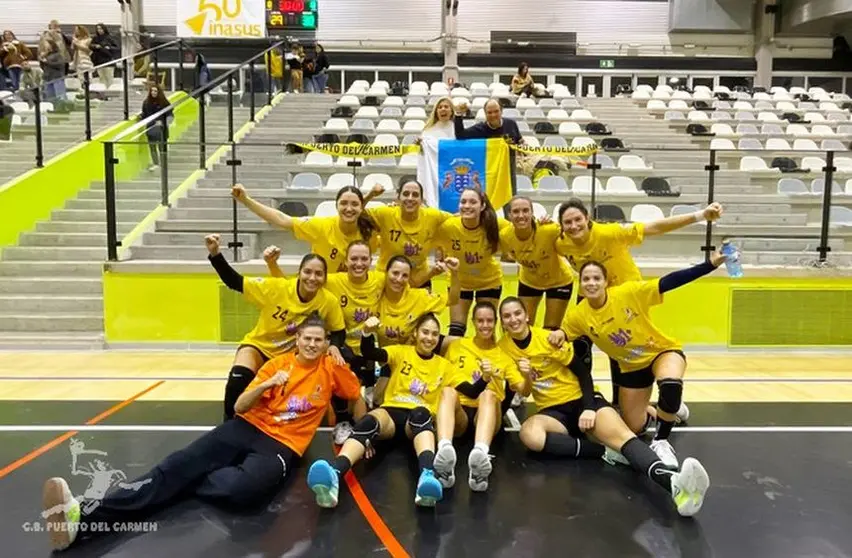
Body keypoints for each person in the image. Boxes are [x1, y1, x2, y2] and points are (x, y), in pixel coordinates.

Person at [42, 315, 362, 551]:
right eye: (307, 338)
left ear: (324, 343)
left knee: (244, 492)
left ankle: (187, 479)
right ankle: (80, 518)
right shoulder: (276, 365)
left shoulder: (329, 369)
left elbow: (352, 390)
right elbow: (239, 407)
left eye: (318, 340)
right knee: (173, 466)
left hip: (282, 445)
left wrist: (338, 358)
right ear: (298, 340)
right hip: (246, 426)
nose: (311, 344)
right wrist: (266, 383)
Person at [497, 297, 710, 517]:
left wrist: (589, 407)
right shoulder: (503, 349)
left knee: (625, 437)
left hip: (582, 400)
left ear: (527, 315)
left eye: (517, 314)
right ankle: (605, 452)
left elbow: (582, 373)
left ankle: (674, 484)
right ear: (502, 322)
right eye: (507, 316)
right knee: (529, 434)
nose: (513, 319)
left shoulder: (548, 339)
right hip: (552, 412)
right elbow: (516, 389)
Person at [547, 250, 729, 468]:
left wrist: (710, 264)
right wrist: (559, 334)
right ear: (581, 283)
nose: (591, 283)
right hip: (631, 368)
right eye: (586, 279)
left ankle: (661, 441)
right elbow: (566, 333)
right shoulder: (579, 314)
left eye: (597, 278)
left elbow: (670, 281)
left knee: (670, 383)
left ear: (607, 282)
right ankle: (670, 407)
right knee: (634, 426)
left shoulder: (628, 292)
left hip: (661, 352)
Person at [555, 197, 724, 407]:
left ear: (587, 218)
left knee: (619, 348)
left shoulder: (610, 233)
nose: (573, 226)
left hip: (626, 298)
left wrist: (700, 216)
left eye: (577, 220)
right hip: (592, 295)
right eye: (567, 223)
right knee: (579, 345)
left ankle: (633, 400)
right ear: (561, 226)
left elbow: (653, 227)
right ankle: (581, 398)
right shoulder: (562, 243)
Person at [306, 313, 453, 508]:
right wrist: (367, 332)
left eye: (435, 334)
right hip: (391, 415)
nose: (429, 338)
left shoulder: (445, 366)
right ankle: (334, 474)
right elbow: (370, 353)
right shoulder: (401, 352)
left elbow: (464, 391)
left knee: (421, 414)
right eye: (425, 332)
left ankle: (427, 478)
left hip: (417, 424)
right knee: (369, 421)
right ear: (416, 333)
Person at [204, 233, 347, 420]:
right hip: (259, 346)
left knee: (334, 366)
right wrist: (215, 254)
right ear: (299, 273)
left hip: (291, 356)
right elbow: (234, 282)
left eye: (318, 273)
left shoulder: (328, 301)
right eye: (308, 272)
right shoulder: (276, 288)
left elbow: (338, 330)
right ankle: (228, 423)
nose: (312, 278)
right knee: (238, 378)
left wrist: (335, 345)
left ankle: (337, 420)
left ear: (325, 277)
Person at [265, 240, 384, 440]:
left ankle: (363, 433)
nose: (359, 263)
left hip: (367, 346)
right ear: (345, 261)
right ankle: (342, 421)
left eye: (364, 259)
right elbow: (290, 287)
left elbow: (404, 280)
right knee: (339, 367)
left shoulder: (380, 279)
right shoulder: (330, 281)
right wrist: (272, 265)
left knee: (366, 397)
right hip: (340, 345)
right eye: (354, 258)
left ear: (371, 261)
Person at [433, 301, 522, 491]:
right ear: (473, 322)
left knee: (488, 394)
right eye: (480, 320)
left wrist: (528, 376)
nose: (485, 325)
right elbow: (457, 385)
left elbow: (522, 388)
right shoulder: (458, 347)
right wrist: (485, 377)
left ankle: (480, 456)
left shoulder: (504, 354)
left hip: (489, 414)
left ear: (496, 322)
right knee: (447, 391)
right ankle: (444, 452)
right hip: (461, 416)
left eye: (489, 320)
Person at [231, 183, 379, 273]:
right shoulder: (321, 226)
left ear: (362, 208)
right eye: (343, 203)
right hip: (321, 296)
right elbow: (282, 220)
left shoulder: (368, 234)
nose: (348, 208)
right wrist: (246, 200)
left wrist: (370, 196)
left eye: (354, 204)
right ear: (336, 206)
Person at [436, 187, 509, 337]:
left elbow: (522, 231)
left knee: (486, 330)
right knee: (456, 331)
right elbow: (424, 225)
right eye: (463, 202)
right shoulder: (449, 226)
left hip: (489, 282)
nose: (467, 206)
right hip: (460, 284)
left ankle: (488, 360)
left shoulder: (497, 225)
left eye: (472, 202)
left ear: (482, 206)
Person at [500, 196, 575, 330]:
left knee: (551, 329)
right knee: (522, 327)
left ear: (532, 213)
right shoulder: (505, 236)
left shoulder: (548, 230)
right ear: (509, 215)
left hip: (559, 282)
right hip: (529, 282)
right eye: (516, 212)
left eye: (525, 210)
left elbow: (574, 229)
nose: (521, 215)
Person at [365, 179, 453, 288]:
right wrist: (370, 195)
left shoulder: (433, 216)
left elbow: (459, 219)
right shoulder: (386, 213)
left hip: (420, 281)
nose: (410, 198)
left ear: (421, 200)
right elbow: (355, 212)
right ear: (398, 197)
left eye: (415, 195)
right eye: (406, 194)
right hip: (387, 279)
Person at [375, 254, 460, 348]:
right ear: (386, 273)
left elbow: (453, 300)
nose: (399, 279)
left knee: (458, 342)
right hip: (382, 357)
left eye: (405, 275)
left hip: (411, 357)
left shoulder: (418, 297)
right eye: (395, 273)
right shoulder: (375, 296)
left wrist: (455, 273)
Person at [453, 98, 522, 143]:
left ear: (501, 111)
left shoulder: (511, 124)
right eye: (489, 112)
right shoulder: (479, 129)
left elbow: (520, 141)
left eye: (496, 111)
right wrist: (458, 114)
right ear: (485, 114)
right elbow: (460, 135)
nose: (493, 115)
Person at [140, 84, 170, 171]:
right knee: (152, 148)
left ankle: (163, 163)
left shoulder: (164, 102)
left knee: (161, 147)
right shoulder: (146, 102)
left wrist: (165, 123)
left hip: (161, 128)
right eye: (152, 91)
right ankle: (156, 163)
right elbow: (145, 114)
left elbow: (170, 114)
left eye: (155, 91)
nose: (153, 93)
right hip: (151, 128)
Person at [90, 23, 118, 89]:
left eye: (100, 29)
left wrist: (108, 47)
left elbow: (116, 47)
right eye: (98, 29)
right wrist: (96, 46)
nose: (99, 30)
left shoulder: (109, 37)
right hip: (99, 61)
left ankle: (110, 92)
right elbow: (90, 46)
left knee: (109, 77)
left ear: (104, 29)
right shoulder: (95, 38)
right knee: (102, 78)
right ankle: (103, 93)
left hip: (108, 60)